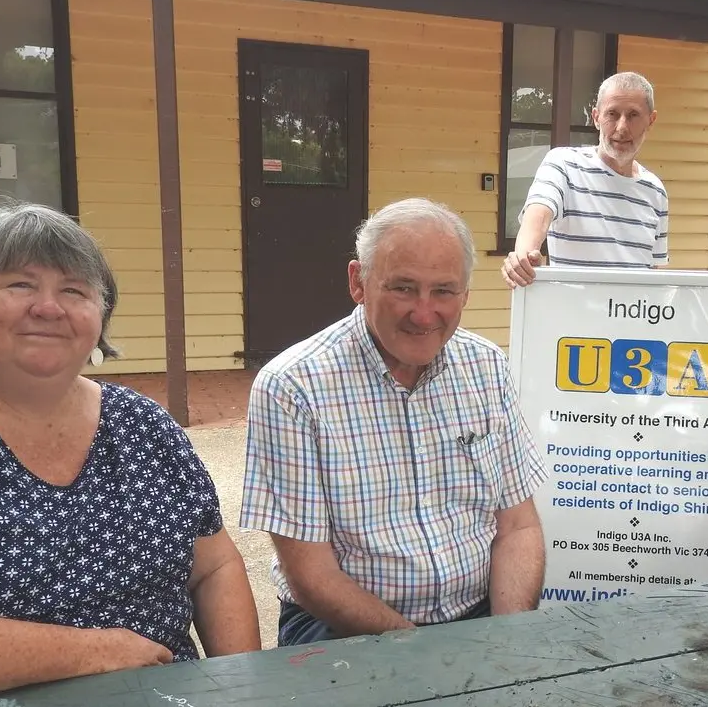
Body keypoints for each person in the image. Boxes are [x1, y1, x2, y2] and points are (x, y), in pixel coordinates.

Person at [0, 200, 260, 706]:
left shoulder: (143, 425)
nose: (49, 308)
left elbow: (215, 566)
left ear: (99, 316)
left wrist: (242, 688)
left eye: (74, 290)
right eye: (20, 285)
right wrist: (95, 651)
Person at [241, 197, 548, 645]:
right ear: (358, 282)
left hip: (480, 616)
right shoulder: (292, 388)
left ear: (465, 293)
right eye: (403, 288)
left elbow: (519, 527)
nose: (424, 314)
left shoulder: (486, 367)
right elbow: (311, 574)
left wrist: (503, 641)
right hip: (344, 628)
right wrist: (424, 655)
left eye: (443, 291)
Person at [501, 70, 667, 287]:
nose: (622, 127)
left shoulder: (655, 190)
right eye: (612, 114)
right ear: (596, 117)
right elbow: (538, 215)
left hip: (633, 318)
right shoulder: (564, 164)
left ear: (651, 120)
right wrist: (523, 257)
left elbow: (658, 272)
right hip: (573, 318)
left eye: (633, 115)